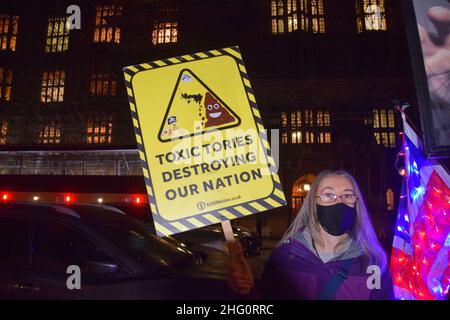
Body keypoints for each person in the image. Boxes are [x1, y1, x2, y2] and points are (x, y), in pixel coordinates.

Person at [228, 170, 394, 300]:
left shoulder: (374, 263)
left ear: (356, 204)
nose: (339, 201)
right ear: (314, 204)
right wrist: (246, 291)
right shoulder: (285, 258)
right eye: (329, 195)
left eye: (347, 195)